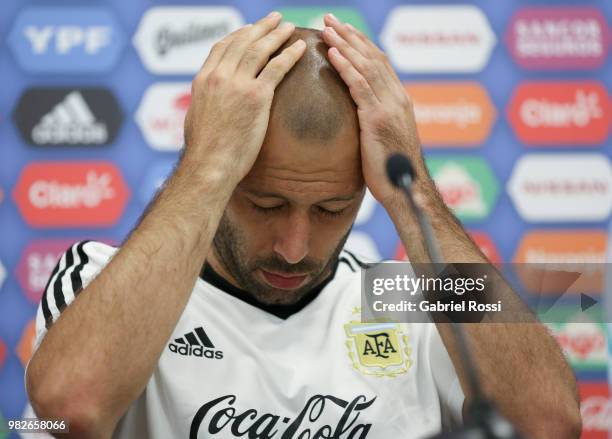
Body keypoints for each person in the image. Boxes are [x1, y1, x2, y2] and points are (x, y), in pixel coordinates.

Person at [26, 12, 581, 439]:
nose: (294, 249)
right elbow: (71, 410)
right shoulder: (98, 277)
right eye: (265, 206)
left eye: (331, 210)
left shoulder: (404, 297)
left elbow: (549, 423)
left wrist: (418, 199)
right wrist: (206, 166)